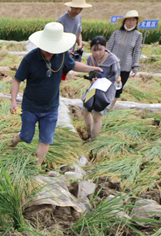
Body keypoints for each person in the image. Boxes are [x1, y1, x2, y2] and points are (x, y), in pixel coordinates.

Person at [9, 22, 102, 165]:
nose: (51, 51)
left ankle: (35, 167)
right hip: (30, 107)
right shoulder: (30, 59)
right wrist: (14, 101)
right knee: (27, 137)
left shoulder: (63, 55)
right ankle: (16, 139)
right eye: (48, 48)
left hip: (51, 108)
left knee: (45, 140)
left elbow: (73, 65)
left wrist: (92, 68)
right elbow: (17, 80)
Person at [81, 36, 120, 141]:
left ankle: (92, 140)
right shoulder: (90, 58)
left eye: (100, 50)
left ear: (105, 47)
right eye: (94, 50)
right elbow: (91, 73)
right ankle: (88, 133)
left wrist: (101, 81)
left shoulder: (113, 60)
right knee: (84, 111)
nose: (97, 53)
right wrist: (93, 80)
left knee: (97, 116)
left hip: (106, 91)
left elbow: (114, 77)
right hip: (94, 88)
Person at [107, 10, 143, 110]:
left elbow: (136, 52)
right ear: (124, 21)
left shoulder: (138, 35)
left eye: (133, 20)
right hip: (112, 65)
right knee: (107, 84)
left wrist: (135, 66)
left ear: (136, 22)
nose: (130, 22)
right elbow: (108, 49)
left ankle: (111, 107)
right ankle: (103, 104)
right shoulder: (116, 33)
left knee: (118, 88)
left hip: (125, 67)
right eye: (128, 20)